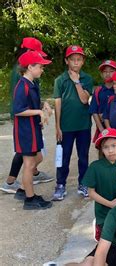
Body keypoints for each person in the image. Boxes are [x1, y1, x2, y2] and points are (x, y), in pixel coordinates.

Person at [1, 37, 53, 197]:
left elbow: (32, 97)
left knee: (32, 155)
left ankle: (27, 178)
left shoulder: (29, 74)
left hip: (30, 119)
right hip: (25, 120)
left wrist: (42, 104)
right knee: (26, 155)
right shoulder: (23, 77)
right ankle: (16, 183)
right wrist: (38, 112)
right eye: (37, 54)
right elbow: (20, 105)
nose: (41, 59)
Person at [13, 50, 53, 210]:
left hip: (33, 129)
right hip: (25, 131)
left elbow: (34, 102)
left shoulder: (31, 84)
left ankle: (23, 189)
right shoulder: (22, 86)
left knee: (38, 157)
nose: (42, 70)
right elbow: (18, 110)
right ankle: (30, 199)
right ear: (30, 67)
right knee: (29, 165)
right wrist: (38, 112)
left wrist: (44, 105)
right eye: (40, 67)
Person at [53, 45, 94, 200]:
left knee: (83, 156)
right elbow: (57, 104)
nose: (76, 63)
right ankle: (60, 184)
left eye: (79, 59)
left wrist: (77, 82)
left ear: (83, 61)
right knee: (64, 156)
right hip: (66, 126)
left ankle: (83, 183)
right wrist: (57, 126)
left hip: (83, 125)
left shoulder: (87, 79)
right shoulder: (60, 80)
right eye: (72, 59)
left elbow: (85, 99)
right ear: (67, 61)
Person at [82, 128, 116, 241]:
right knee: (107, 242)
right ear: (101, 149)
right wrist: (109, 204)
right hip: (104, 213)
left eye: (113, 145)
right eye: (106, 147)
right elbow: (91, 193)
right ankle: (98, 225)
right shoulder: (95, 167)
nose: (110, 150)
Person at [89, 60, 116, 143]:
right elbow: (94, 111)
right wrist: (101, 130)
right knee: (103, 150)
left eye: (111, 71)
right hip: (103, 127)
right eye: (105, 71)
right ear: (101, 74)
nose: (108, 74)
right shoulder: (98, 90)